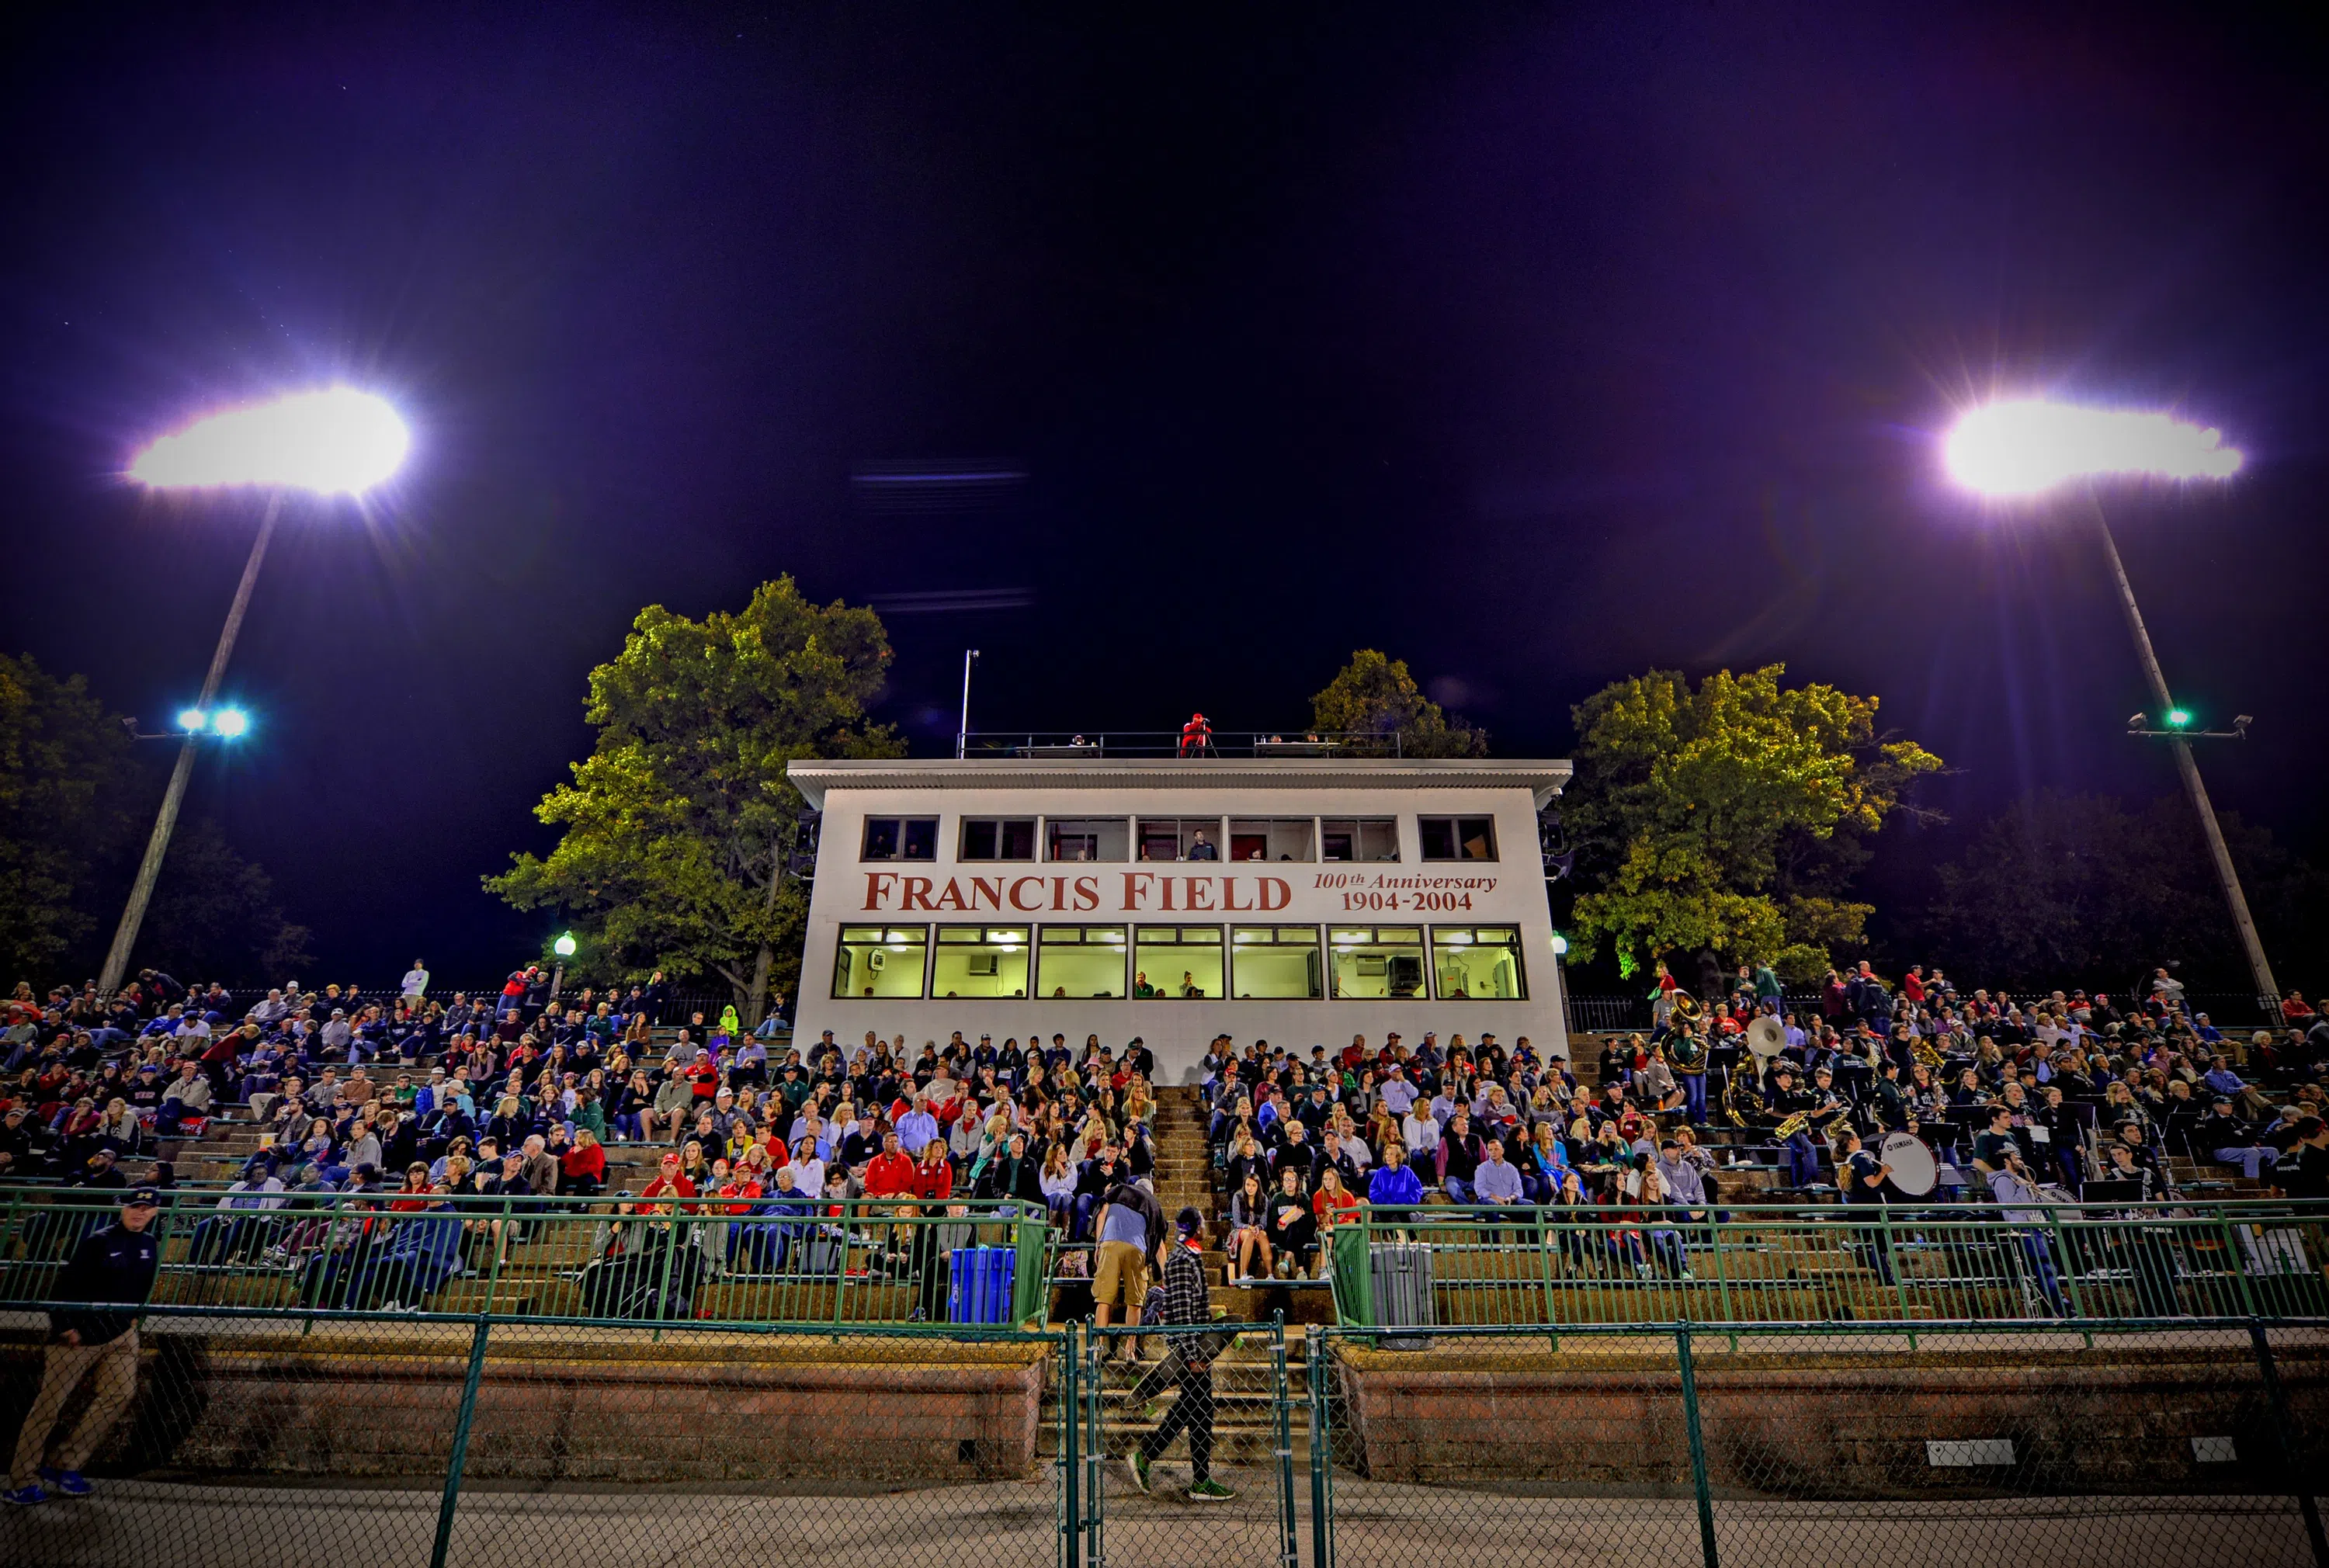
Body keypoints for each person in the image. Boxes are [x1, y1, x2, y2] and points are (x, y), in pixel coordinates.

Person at [8, 1188, 162, 1505]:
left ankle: (66, 1464)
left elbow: (143, 1286)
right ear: (124, 1210)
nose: (139, 1213)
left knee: (119, 1394)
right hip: (78, 1337)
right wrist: (66, 1327)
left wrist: (133, 1320)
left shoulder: (149, 1244)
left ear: (155, 1213)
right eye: (135, 1207)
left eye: (146, 1209)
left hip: (120, 1334)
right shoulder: (99, 1241)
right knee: (48, 1408)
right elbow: (65, 1285)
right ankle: (22, 1479)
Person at [1127, 1206, 1234, 1501]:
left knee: (1194, 1409)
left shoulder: (1188, 1256)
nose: (1205, 1228)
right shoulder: (1183, 1260)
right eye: (1202, 1223)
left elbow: (1191, 1307)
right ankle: (1188, 1475)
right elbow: (1182, 1313)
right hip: (1192, 1350)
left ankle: (1161, 1461)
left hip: (1196, 1346)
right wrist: (1192, 1356)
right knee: (1198, 1410)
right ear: (1195, 1228)